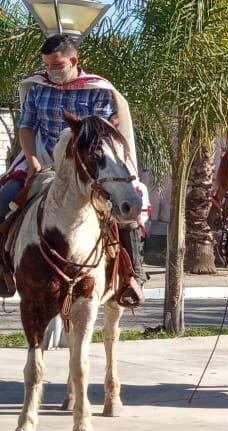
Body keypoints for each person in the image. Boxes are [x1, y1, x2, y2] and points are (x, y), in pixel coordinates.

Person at [0, 34, 143, 305]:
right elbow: (27, 128)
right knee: (3, 199)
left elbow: (99, 135)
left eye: (56, 65)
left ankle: (132, 276)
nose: (50, 71)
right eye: (46, 65)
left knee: (125, 209)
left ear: (74, 61)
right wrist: (32, 161)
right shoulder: (37, 88)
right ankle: (3, 270)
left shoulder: (97, 90)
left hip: (86, 166)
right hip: (43, 161)